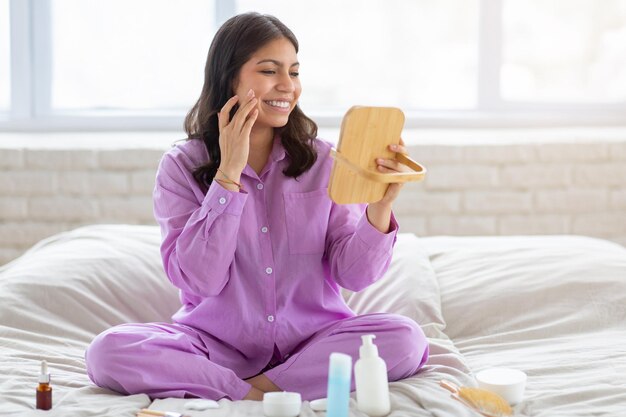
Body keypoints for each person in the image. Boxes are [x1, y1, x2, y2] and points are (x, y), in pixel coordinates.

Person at [85, 12, 428, 402]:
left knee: (406, 338)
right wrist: (228, 175)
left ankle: (256, 393)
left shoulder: (323, 160)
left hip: (314, 344)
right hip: (215, 348)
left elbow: (353, 276)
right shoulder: (181, 166)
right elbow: (200, 279)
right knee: (107, 351)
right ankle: (251, 392)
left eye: (294, 72)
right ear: (229, 78)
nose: (288, 86)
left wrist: (379, 208)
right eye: (269, 70)